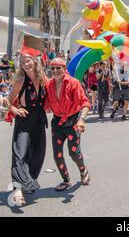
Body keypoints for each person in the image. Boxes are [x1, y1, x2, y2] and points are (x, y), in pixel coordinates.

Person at [6, 49, 48, 206]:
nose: (26, 64)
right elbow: (8, 100)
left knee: (38, 154)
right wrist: (14, 109)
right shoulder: (21, 80)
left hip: (39, 120)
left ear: (35, 61)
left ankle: (28, 182)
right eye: (23, 63)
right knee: (19, 154)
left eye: (28, 61)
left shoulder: (43, 78)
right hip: (24, 119)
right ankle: (17, 191)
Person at [45, 58, 91, 191]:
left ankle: (83, 171)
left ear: (64, 69)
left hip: (73, 121)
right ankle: (66, 181)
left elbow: (85, 103)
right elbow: (44, 103)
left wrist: (82, 119)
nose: (55, 71)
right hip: (57, 122)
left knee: (73, 153)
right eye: (53, 68)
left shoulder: (73, 83)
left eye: (58, 68)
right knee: (57, 154)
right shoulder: (48, 85)